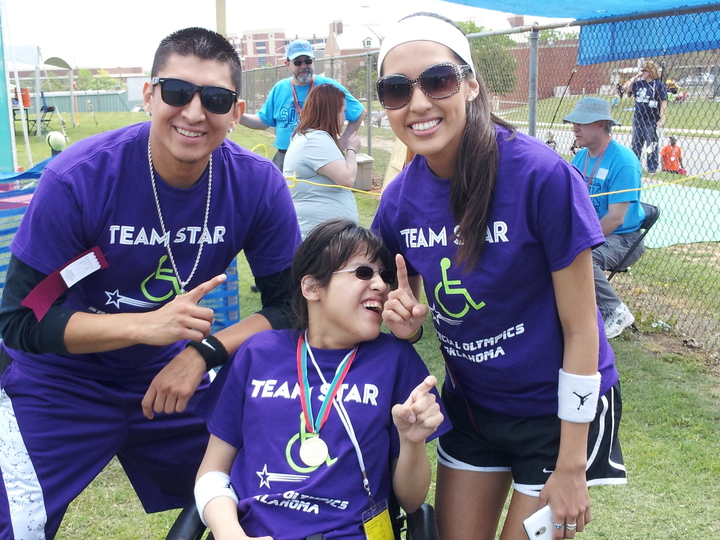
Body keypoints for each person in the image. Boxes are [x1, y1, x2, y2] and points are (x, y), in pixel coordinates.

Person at [0, 27, 301, 539]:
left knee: (275, 494)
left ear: (235, 109)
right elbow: (22, 318)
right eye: (177, 92)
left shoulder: (256, 183)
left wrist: (201, 353)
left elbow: (291, 307)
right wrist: (144, 326)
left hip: (172, 380)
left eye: (216, 99)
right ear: (149, 93)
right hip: (59, 382)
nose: (193, 112)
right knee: (15, 522)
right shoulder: (80, 177)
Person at [372, 13, 625, 540]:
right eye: (396, 90)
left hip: (557, 418)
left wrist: (572, 464)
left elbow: (583, 328)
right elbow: (402, 302)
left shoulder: (542, 176)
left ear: (470, 84)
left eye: (437, 81)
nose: (418, 104)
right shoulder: (399, 201)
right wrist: (404, 322)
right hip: (473, 406)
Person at [194, 219, 449, 540]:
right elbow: (213, 471)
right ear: (311, 286)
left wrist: (412, 442)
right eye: (363, 273)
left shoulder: (396, 360)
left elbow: (412, 502)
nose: (381, 286)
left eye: (383, 276)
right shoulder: (257, 353)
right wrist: (231, 533)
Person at [564, 97, 645, 339]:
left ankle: (617, 311)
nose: (575, 128)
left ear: (601, 124)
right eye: (574, 122)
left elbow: (616, 218)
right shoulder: (580, 158)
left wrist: (581, 240)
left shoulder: (624, 161)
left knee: (581, 256)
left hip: (623, 238)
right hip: (591, 231)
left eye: (582, 122)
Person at [238, 39, 366, 171]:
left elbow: (359, 112)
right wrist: (237, 114)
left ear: (314, 61)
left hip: (321, 157)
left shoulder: (329, 87)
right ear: (287, 64)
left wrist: (343, 142)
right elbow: (263, 121)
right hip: (285, 155)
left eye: (308, 61)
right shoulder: (280, 88)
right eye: (298, 62)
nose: (304, 66)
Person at [283, 84, 361, 239]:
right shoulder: (315, 139)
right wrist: (352, 149)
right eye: (343, 111)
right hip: (321, 239)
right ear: (332, 111)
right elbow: (347, 178)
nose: (345, 118)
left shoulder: (308, 137)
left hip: (323, 236)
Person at [624, 60, 668, 174]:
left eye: (645, 70)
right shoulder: (639, 83)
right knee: (636, 145)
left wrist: (662, 119)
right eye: (641, 70)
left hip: (651, 119)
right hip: (638, 119)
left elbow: (663, 102)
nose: (642, 72)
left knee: (651, 145)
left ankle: (651, 168)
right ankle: (634, 166)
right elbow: (626, 87)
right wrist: (637, 76)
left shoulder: (659, 85)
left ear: (651, 71)